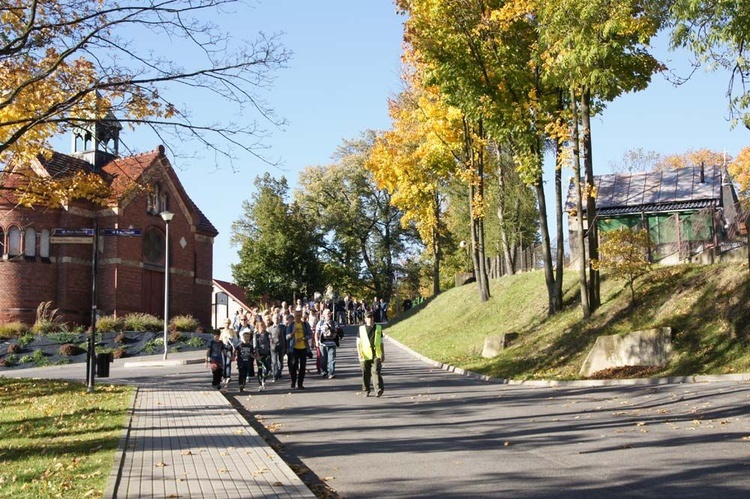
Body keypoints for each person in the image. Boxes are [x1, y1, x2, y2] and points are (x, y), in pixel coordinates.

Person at [357, 310, 385, 397]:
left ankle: (378, 389)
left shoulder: (378, 328)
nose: (370, 319)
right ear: (365, 319)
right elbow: (358, 343)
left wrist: (383, 353)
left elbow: (381, 342)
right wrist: (359, 353)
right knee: (365, 372)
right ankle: (366, 390)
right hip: (364, 354)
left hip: (376, 353)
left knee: (376, 371)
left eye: (371, 317)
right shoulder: (361, 329)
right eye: (368, 317)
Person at [286, 309, 312, 390]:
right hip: (294, 348)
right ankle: (293, 381)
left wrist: (304, 338)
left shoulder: (305, 324)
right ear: (294, 317)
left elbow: (310, 334)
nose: (298, 317)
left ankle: (300, 383)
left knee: (303, 366)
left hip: (303, 348)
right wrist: (293, 333)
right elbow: (287, 337)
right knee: (293, 366)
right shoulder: (291, 325)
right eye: (296, 316)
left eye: (299, 316)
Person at [316, 308, 339, 379]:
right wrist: (317, 341)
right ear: (324, 315)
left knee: (332, 359)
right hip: (323, 344)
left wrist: (334, 331)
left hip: (332, 343)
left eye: (330, 313)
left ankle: (331, 373)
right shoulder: (320, 323)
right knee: (323, 359)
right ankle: (324, 372)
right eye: (327, 313)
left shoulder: (334, 323)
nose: (329, 315)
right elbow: (317, 332)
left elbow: (338, 332)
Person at [254, 319, 272, 391]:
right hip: (259, 354)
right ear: (258, 327)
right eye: (261, 325)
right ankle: (261, 384)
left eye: (263, 325)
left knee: (269, 369)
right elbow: (255, 345)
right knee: (260, 369)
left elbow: (271, 343)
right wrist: (257, 355)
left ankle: (264, 379)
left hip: (267, 354)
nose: (263, 326)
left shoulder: (267, 334)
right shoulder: (256, 335)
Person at [269, 313, 288, 382]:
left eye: (277, 318)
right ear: (272, 319)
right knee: (274, 362)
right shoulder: (270, 328)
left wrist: (286, 347)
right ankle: (275, 375)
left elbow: (286, 337)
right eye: (275, 318)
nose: (276, 320)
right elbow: (269, 338)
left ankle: (279, 373)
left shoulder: (283, 327)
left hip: (281, 346)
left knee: (280, 362)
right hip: (273, 347)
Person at [219, 319, 237, 388]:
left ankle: (228, 376)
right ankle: (224, 376)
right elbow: (220, 340)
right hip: (223, 348)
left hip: (229, 348)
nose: (227, 324)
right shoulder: (222, 331)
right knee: (223, 363)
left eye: (228, 323)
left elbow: (235, 339)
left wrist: (234, 347)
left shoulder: (232, 331)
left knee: (228, 363)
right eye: (226, 323)